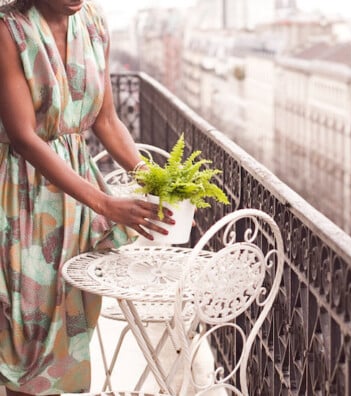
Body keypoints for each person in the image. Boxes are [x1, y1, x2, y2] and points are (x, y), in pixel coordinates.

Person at [0, 0, 174, 394]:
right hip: (20, 195)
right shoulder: (7, 31)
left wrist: (154, 178)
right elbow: (25, 138)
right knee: (26, 331)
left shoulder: (93, 22)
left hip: (74, 195)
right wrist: (104, 203)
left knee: (65, 321)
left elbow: (107, 119)